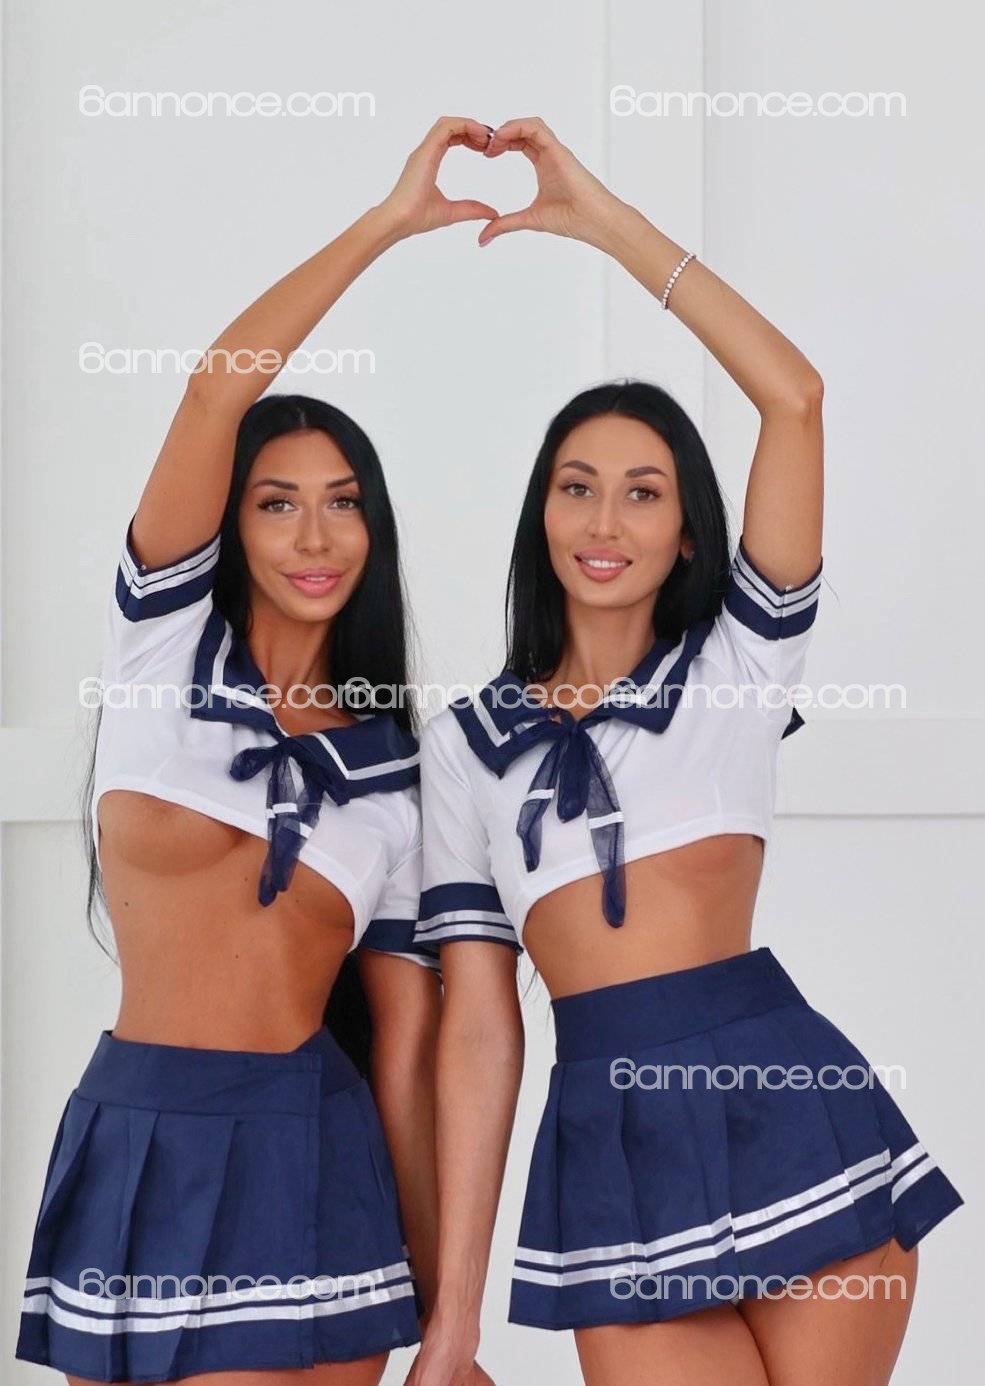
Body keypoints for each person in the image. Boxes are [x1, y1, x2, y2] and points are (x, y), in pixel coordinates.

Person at [408, 117, 963, 1386]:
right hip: (612, 1155)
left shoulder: (736, 670)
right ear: (540, 514)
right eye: (576, 485)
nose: (604, 520)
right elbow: (478, 1034)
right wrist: (452, 1326)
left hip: (796, 1121)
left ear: (687, 533)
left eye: (643, 490)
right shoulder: (466, 747)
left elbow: (794, 397)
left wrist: (606, 227)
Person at [15, 117, 501, 1386]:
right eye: (277, 504)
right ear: (229, 524)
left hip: (315, 1162)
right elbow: (214, 390)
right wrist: (386, 225)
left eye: (344, 505)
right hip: (136, 1140)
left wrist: (449, 1322)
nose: (315, 537)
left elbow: (407, 1044)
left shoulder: (398, 774)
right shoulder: (158, 654)